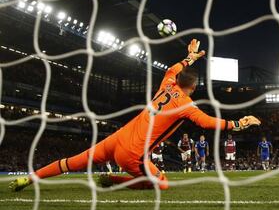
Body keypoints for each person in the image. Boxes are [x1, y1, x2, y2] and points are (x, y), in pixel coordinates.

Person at [9, 39, 261, 192]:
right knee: (161, 183)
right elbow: (209, 123)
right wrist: (240, 122)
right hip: (132, 154)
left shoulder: (167, 84)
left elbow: (173, 70)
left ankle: (28, 179)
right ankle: (115, 180)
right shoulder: (187, 105)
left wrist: (189, 58)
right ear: (193, 88)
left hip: (116, 138)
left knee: (70, 162)